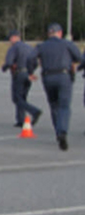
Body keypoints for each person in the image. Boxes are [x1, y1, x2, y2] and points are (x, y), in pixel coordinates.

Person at [30, 23, 81, 151]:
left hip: (48, 77)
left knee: (54, 105)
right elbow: (79, 57)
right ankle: (62, 131)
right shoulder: (67, 44)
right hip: (63, 76)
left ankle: (58, 132)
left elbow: (30, 57)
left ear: (48, 34)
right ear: (60, 33)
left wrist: (31, 71)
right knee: (64, 106)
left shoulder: (41, 46)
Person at [1, 30, 41, 128]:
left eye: (10, 38)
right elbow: (35, 62)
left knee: (16, 98)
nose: (10, 40)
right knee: (22, 97)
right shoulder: (29, 48)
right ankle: (20, 119)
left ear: (14, 37)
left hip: (19, 74)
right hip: (28, 73)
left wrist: (5, 67)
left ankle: (34, 111)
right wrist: (31, 72)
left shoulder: (14, 48)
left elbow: (9, 61)